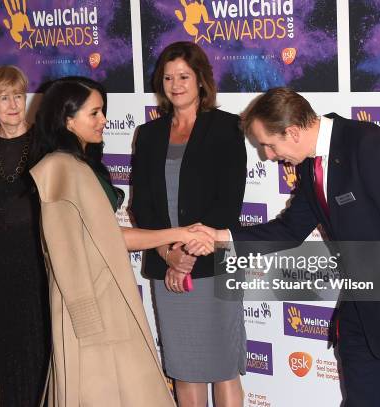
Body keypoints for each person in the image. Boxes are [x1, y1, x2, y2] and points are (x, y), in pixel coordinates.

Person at [193, 87, 380, 407]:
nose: (268, 155)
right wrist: (223, 237)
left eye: (268, 144)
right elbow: (290, 229)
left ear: (291, 132)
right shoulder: (310, 166)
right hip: (358, 315)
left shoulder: (365, 143)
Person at [29, 76, 214, 407]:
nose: (104, 121)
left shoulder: (82, 166)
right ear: (67, 119)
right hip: (87, 308)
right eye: (95, 113)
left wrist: (180, 233)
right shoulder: (58, 169)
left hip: (108, 296)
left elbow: (109, 236)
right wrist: (86, 323)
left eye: (104, 112)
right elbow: (67, 253)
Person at [130, 41, 247, 407]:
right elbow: (143, 205)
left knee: (223, 367)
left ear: (201, 81)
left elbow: (228, 203)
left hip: (212, 263)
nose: (176, 84)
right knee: (183, 367)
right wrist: (168, 254)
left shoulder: (227, 127)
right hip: (168, 266)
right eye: (168, 77)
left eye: (184, 76)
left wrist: (187, 255)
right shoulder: (148, 134)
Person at [0, 65, 50, 406]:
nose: (13, 104)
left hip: (41, 250)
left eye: (18, 95)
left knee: (42, 336)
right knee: (11, 339)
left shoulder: (43, 139)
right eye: (4, 97)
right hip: (5, 255)